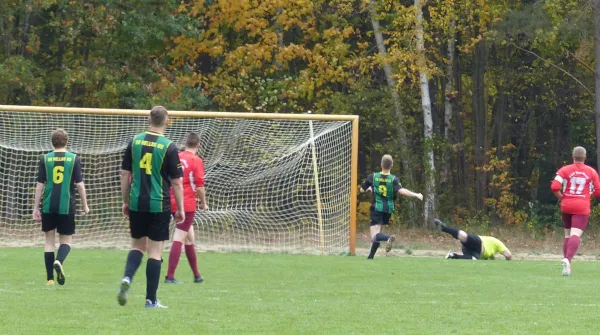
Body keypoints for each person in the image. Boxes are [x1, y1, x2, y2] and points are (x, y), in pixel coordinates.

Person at [117, 106, 185, 309]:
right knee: (155, 253)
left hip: (137, 202)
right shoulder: (169, 147)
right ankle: (150, 300)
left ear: (148, 120)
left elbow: (124, 173)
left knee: (137, 246)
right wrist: (180, 208)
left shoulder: (135, 141)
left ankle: (128, 278)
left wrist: (126, 201)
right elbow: (176, 182)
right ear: (167, 121)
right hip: (158, 204)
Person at [33, 129, 89, 286]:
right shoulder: (73, 159)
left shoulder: (45, 158)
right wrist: (85, 205)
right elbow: (79, 184)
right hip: (66, 206)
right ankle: (59, 261)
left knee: (49, 242)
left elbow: (39, 186)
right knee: (66, 241)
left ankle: (50, 279)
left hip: (48, 205)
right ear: (67, 141)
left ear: (52, 142)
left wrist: (35, 208)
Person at [360, 155, 423, 259]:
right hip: (388, 210)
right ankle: (370, 257)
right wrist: (416, 195)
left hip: (377, 207)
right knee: (377, 235)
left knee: (375, 236)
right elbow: (402, 191)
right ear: (391, 165)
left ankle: (388, 237)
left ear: (381, 165)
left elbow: (362, 189)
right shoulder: (394, 179)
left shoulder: (373, 176)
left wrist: (369, 188)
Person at [165, 132, 208, 284]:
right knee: (179, 238)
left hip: (172, 199)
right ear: (198, 145)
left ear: (185, 143)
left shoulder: (177, 156)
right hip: (186, 203)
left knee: (189, 239)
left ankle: (197, 275)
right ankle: (169, 276)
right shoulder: (196, 161)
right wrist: (203, 202)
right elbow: (200, 186)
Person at [550, 146, 600, 276]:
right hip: (582, 205)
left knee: (567, 234)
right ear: (585, 158)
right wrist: (589, 196)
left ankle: (567, 265)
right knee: (575, 234)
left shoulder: (565, 170)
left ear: (573, 157)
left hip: (567, 205)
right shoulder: (591, 172)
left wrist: (561, 197)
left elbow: (555, 186)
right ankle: (568, 259)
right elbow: (598, 190)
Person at [434, 219, 512, 260]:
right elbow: (509, 255)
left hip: (470, 251)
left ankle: (452, 255)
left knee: (475, 259)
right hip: (478, 242)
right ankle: (444, 228)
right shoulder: (498, 243)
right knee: (464, 236)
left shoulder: (491, 254)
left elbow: (490, 256)